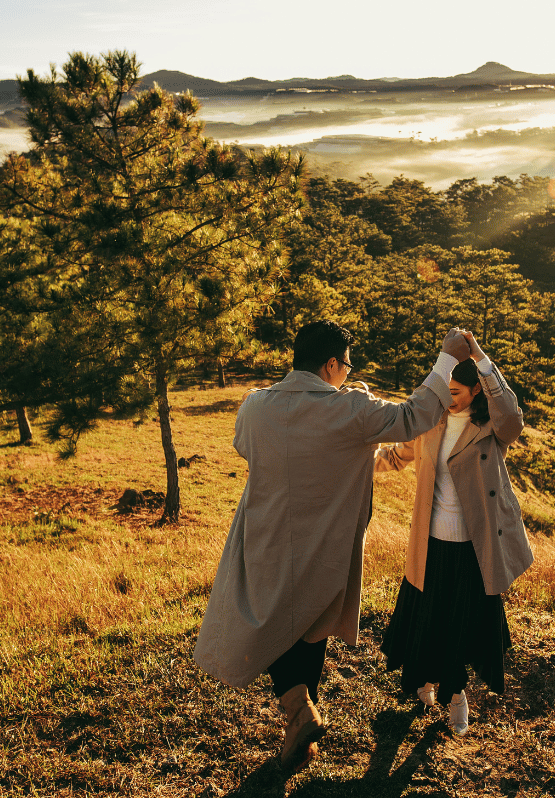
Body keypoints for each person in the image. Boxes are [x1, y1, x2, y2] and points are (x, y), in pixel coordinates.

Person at [193, 319, 470, 773]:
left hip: (264, 540)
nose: (348, 372)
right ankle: (301, 716)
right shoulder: (352, 410)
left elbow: (246, 446)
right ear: (330, 364)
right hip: (326, 545)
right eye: (347, 364)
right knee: (311, 627)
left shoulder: (256, 406)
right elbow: (414, 416)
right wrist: (447, 357)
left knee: (270, 623)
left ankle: (299, 721)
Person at [374, 331, 533, 735]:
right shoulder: (432, 421)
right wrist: (356, 462)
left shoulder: (492, 428)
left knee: (460, 624)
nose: (448, 396)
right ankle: (427, 681)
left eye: (457, 391)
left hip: (474, 548)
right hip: (429, 543)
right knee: (429, 619)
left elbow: (513, 419)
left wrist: (481, 357)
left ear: (477, 388)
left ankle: (457, 695)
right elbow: (398, 455)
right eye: (444, 389)